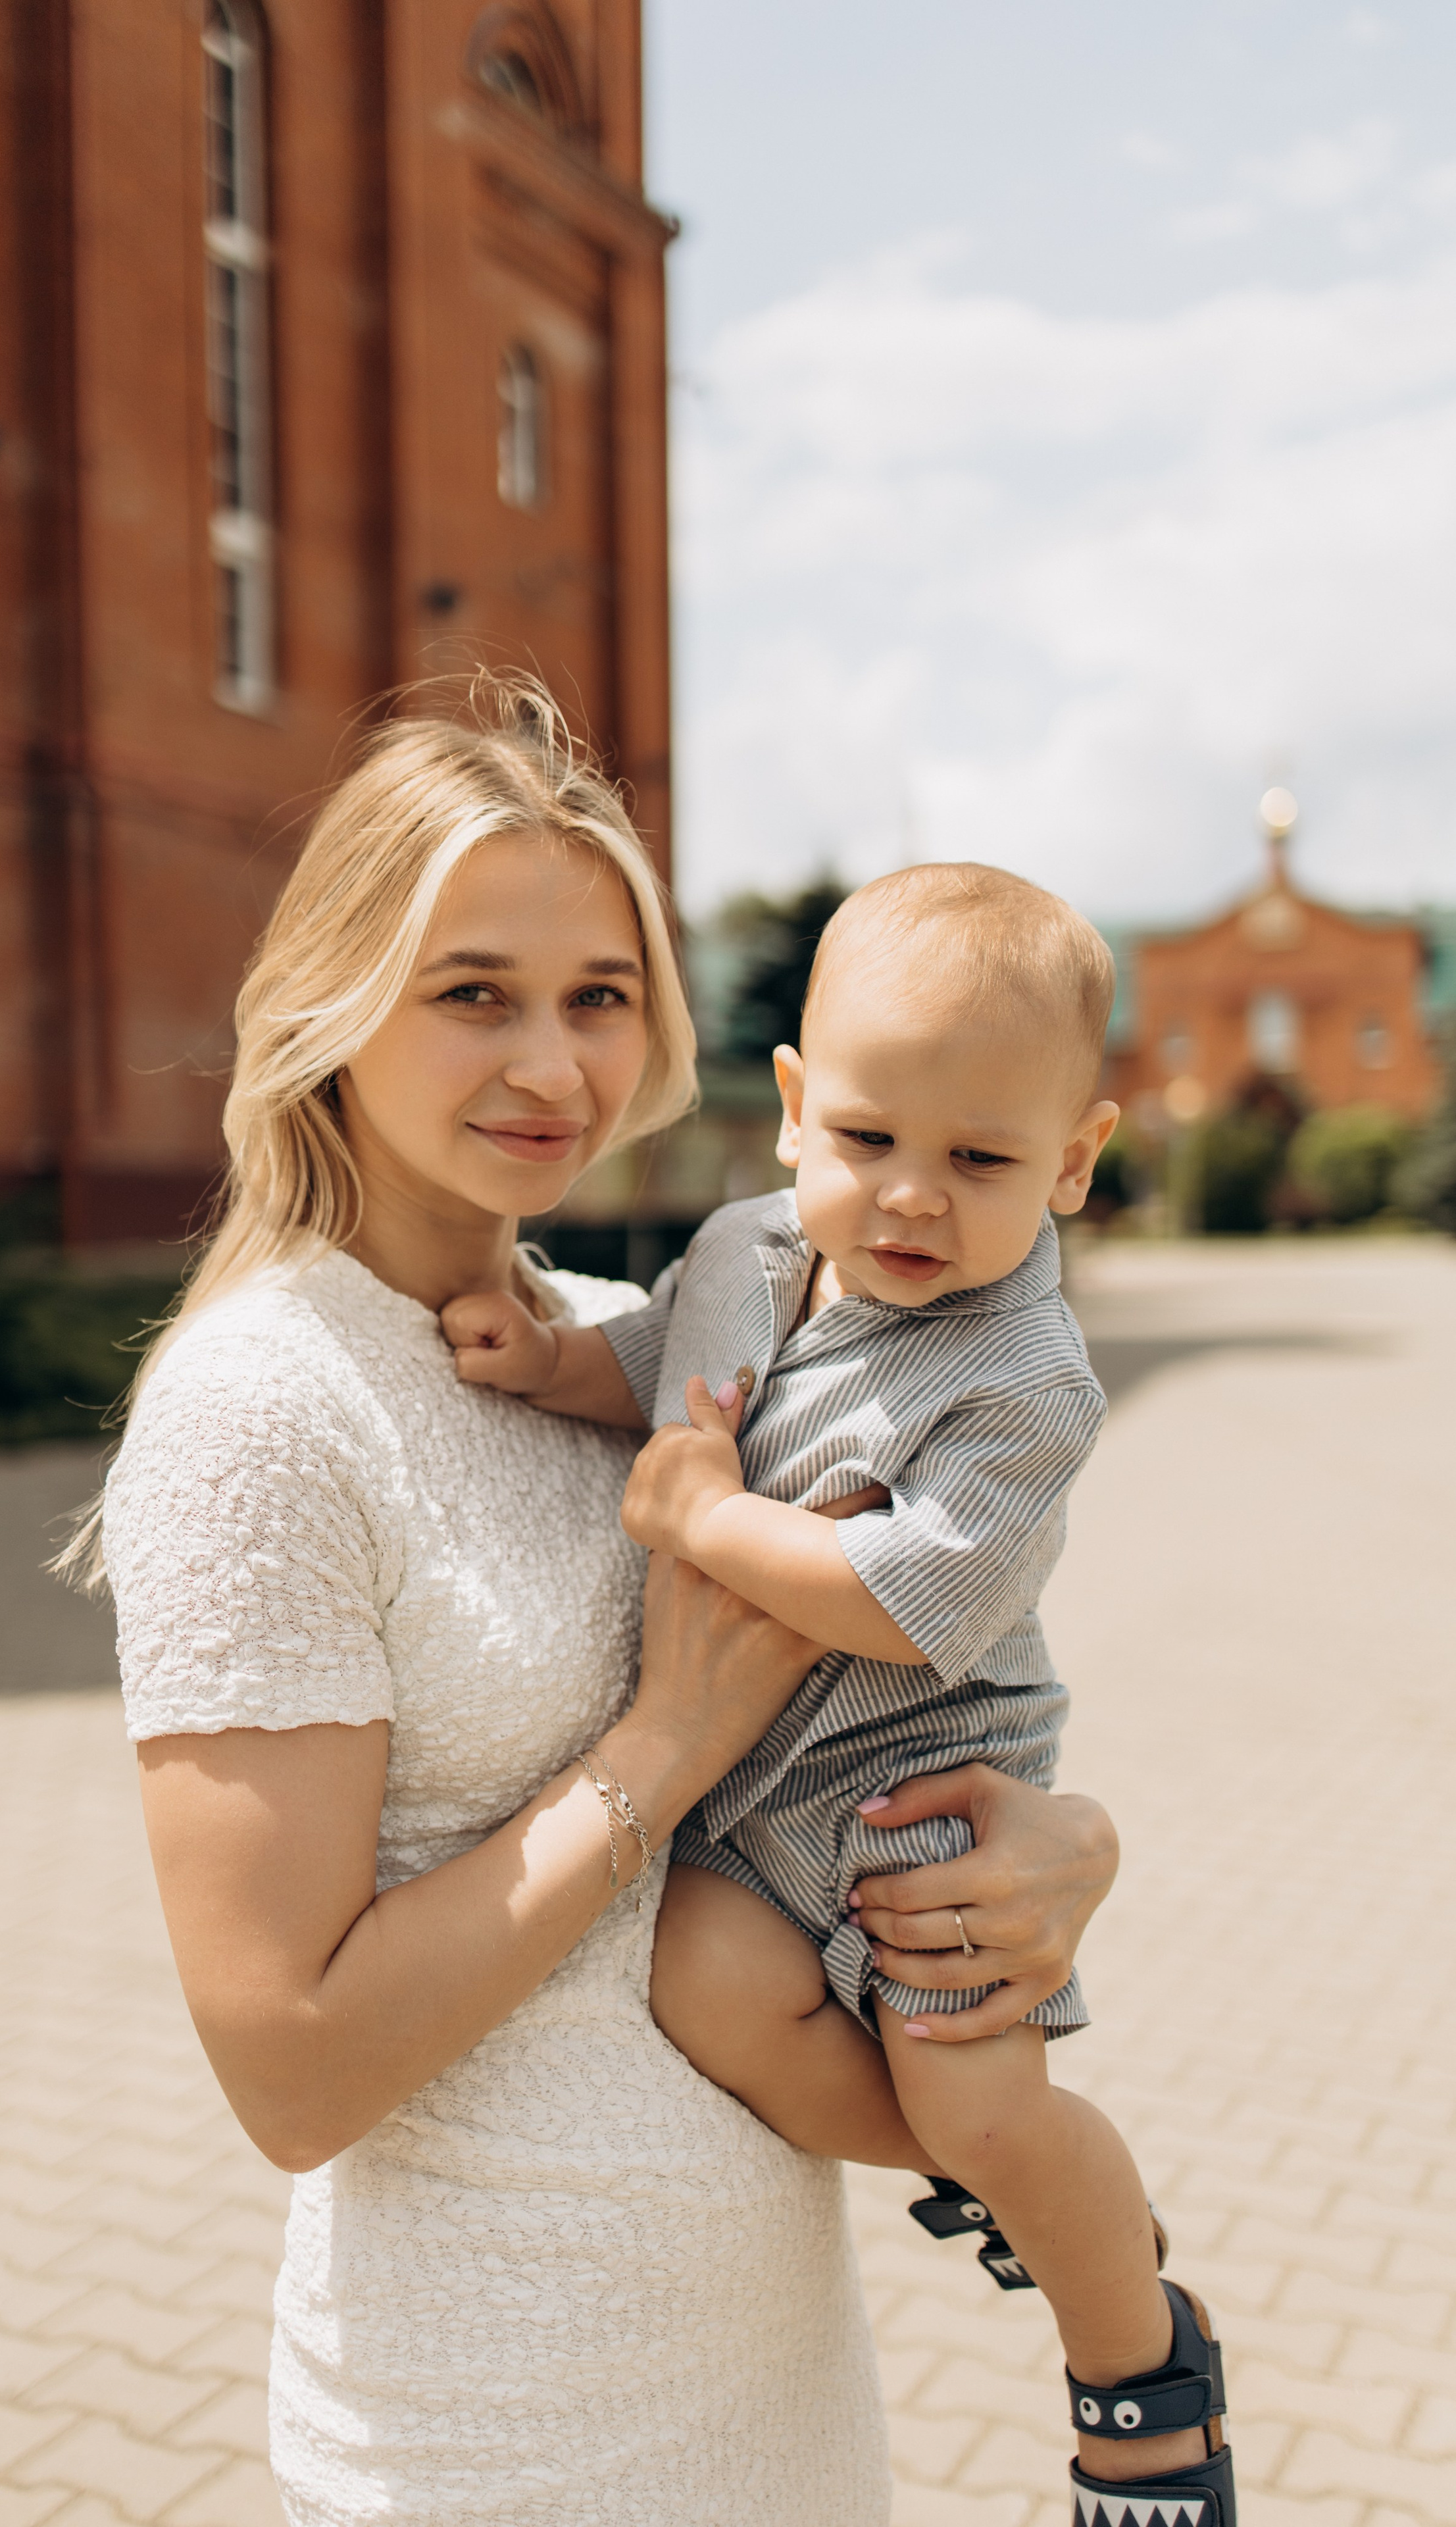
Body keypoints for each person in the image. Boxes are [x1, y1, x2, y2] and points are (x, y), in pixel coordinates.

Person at [78, 687, 1122, 2526]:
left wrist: (1065, 1849)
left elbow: (925, 1646)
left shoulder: (653, 1336)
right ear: (336, 1000)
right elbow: (292, 2074)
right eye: (472, 992)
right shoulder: (263, 1410)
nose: (550, 1065)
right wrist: (667, 1742)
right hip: (494, 2435)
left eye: (599, 995)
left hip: (778, 2395)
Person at [444, 863, 1236, 2527]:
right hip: (751, 1799)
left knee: (982, 2104)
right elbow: (663, 1364)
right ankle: (1048, 2210)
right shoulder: (742, 1247)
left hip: (920, 1796)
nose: (910, 1198)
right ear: (796, 1106)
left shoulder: (1022, 1377)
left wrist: (704, 1522)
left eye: (981, 1161)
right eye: (868, 1138)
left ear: (1073, 1159)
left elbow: (906, 1592)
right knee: (707, 1989)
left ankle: (1139, 2375)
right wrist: (556, 1365)